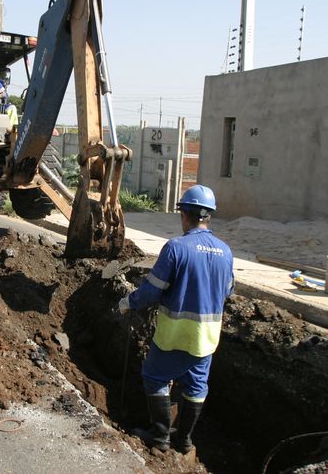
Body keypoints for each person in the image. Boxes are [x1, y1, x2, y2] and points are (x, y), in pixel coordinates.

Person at [118, 184, 234, 454]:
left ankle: (159, 436)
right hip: (206, 338)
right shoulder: (226, 252)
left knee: (155, 377)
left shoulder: (176, 247)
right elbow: (228, 290)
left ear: (184, 215)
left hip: (174, 335)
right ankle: (184, 440)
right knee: (196, 385)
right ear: (209, 216)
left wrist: (128, 302)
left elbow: (152, 289)